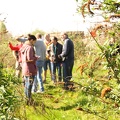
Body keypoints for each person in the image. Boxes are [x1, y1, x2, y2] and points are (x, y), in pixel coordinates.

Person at [19, 34, 37, 104]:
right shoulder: (29, 48)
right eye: (34, 42)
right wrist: (36, 57)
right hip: (30, 69)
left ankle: (26, 99)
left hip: (24, 68)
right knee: (29, 85)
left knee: (26, 85)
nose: (34, 43)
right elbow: (30, 59)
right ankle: (29, 101)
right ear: (31, 40)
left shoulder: (23, 46)